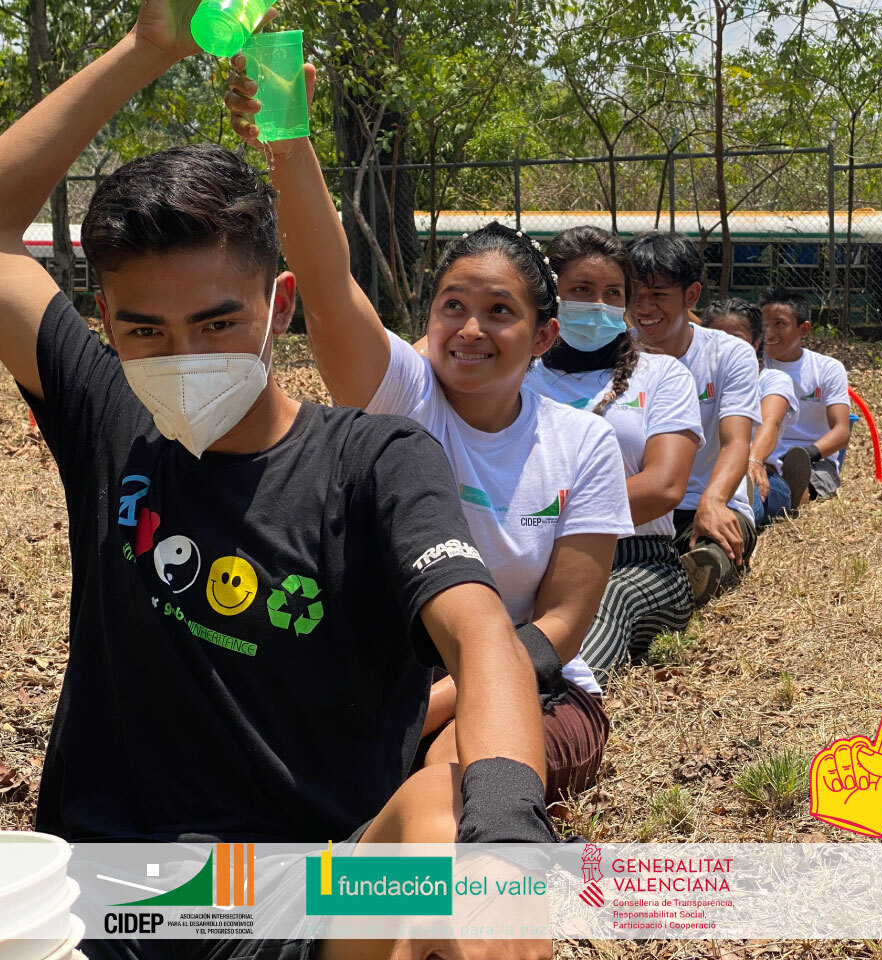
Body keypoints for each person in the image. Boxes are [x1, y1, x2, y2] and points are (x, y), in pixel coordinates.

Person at [0, 5, 557, 960]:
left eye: (215, 322)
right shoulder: (109, 418)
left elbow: (480, 634)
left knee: (450, 839)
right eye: (144, 332)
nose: (181, 354)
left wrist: (510, 840)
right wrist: (149, 47)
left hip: (311, 892)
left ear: (277, 306)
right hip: (113, 890)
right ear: (103, 320)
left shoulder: (373, 460)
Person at [226, 66, 634, 804]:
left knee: (453, 777)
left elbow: (562, 625)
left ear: (543, 337)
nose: (471, 330)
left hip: (535, 687)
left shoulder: (583, 445)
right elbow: (324, 281)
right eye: (453, 306)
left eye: (500, 312)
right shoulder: (403, 397)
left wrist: (426, 713)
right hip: (388, 682)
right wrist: (288, 140)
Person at [524, 227, 704, 672]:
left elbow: (664, 486)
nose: (598, 305)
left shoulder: (663, 376)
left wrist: (543, 518)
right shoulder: (519, 374)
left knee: (591, 618)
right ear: (551, 296)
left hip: (637, 561)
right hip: (526, 554)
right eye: (581, 290)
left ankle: (545, 706)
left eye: (612, 293)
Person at [625, 233, 761, 607]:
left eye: (658, 295)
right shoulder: (614, 354)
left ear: (691, 295)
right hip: (637, 504)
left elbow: (736, 441)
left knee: (719, 544)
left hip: (702, 502)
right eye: (634, 295)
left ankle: (698, 569)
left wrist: (714, 500)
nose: (643, 307)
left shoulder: (729, 354)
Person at [703, 298, 811, 527]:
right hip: (705, 473)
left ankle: (787, 492)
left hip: (757, 472)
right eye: (717, 338)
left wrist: (753, 460)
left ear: (756, 343)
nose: (726, 347)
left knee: (753, 495)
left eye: (736, 340)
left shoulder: (772, 380)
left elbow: (769, 422)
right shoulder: (689, 378)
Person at [759, 287, 851, 502]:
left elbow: (841, 431)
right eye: (763, 325)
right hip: (764, 451)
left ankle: (796, 487)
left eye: (779, 324)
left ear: (804, 329)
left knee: (803, 489)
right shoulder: (753, 363)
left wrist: (807, 454)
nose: (768, 333)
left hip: (815, 459)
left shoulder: (828, 368)